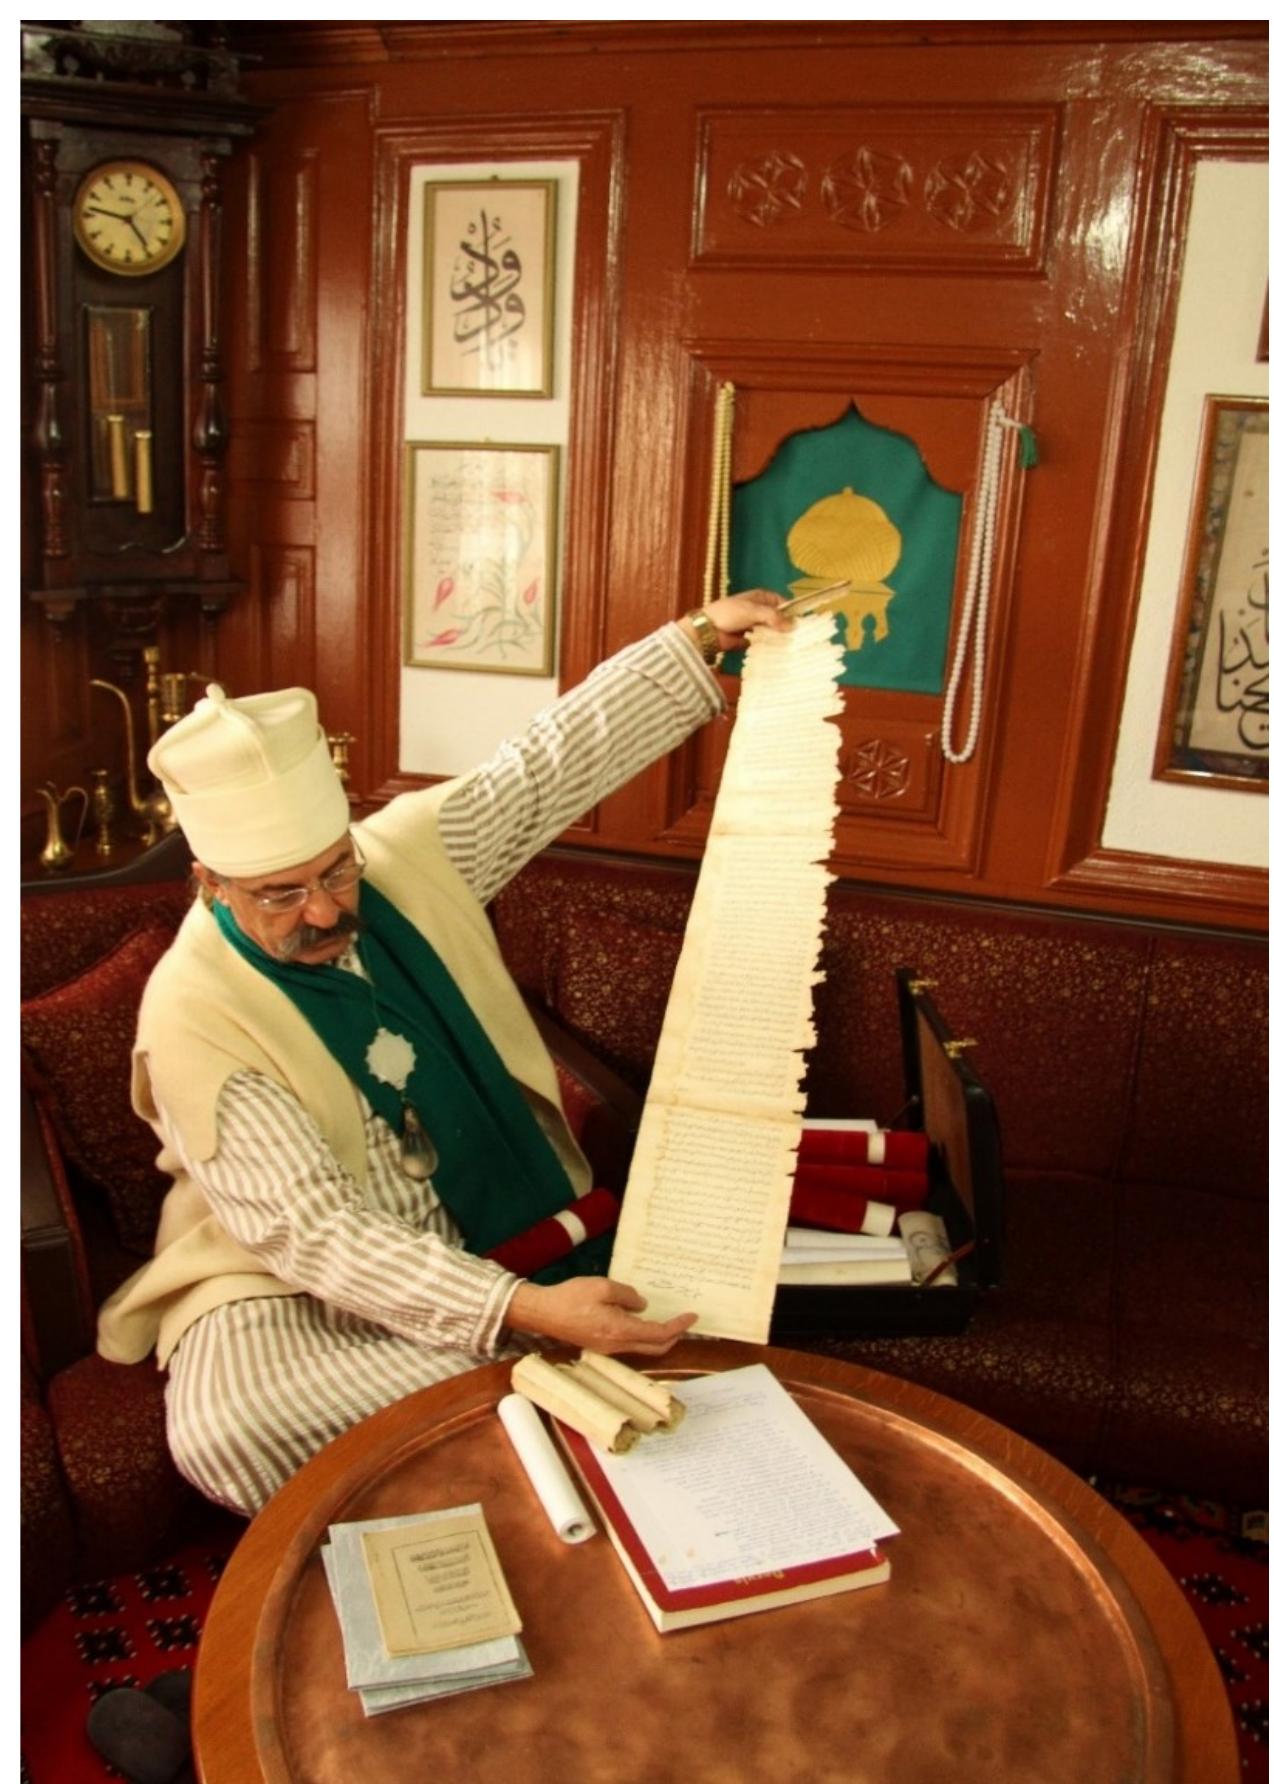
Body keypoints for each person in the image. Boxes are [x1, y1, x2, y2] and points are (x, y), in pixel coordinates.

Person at [98, 592, 790, 1518]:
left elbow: (543, 767)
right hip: (276, 1271)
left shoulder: (403, 859)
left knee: (589, 1338)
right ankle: (486, 1496)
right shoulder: (192, 1015)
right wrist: (527, 1312)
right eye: (280, 893)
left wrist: (697, 638)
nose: (326, 912)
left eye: (334, 870)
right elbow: (313, 1236)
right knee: (233, 1423)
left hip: (472, 1228)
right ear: (209, 882)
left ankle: (543, 1458)